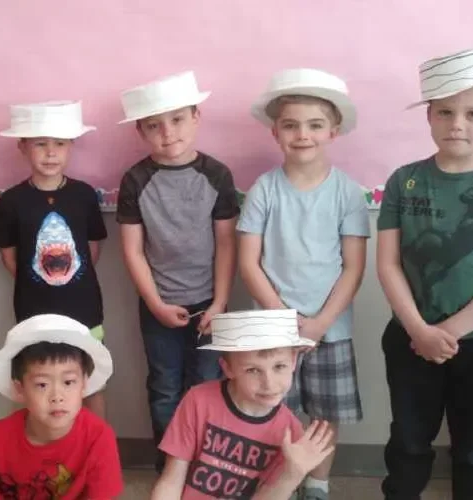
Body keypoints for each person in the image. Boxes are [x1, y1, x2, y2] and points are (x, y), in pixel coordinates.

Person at [376, 46, 473, 500]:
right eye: (445, 112)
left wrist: (447, 331)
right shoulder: (403, 180)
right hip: (410, 339)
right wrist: (419, 331)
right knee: (408, 443)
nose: (457, 124)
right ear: (429, 115)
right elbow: (387, 264)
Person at [237, 68, 370, 500]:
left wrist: (318, 323)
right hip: (273, 331)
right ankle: (283, 484)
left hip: (330, 330)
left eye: (315, 125)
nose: (303, 134)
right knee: (275, 409)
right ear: (275, 132)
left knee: (323, 415)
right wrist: (284, 318)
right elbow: (248, 262)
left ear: (333, 131)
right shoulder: (263, 190)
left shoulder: (347, 193)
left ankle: (317, 485)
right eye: (291, 125)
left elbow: (353, 268)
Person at [115, 70, 241, 473]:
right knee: (165, 386)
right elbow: (132, 249)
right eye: (154, 125)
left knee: (206, 385)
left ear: (196, 117)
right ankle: (172, 465)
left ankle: (204, 465)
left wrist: (220, 302)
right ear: (140, 131)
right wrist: (154, 303)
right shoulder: (136, 180)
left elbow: (225, 242)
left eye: (178, 119)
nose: (167, 133)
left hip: (210, 303)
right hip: (159, 306)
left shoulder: (217, 174)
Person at [0, 100, 110, 419]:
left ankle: (97, 452)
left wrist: (69, 282)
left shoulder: (84, 195)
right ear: (22, 147)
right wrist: (42, 286)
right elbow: (9, 255)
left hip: (83, 307)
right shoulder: (12, 201)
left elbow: (92, 249)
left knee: (90, 381)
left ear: (71, 146)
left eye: (59, 144)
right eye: (40, 144)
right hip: (34, 310)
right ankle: (44, 450)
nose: (50, 152)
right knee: (39, 381)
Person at [151, 309, 333, 500]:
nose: (269, 384)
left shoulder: (290, 433)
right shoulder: (198, 401)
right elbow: (171, 481)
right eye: (253, 370)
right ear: (228, 368)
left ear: (293, 361)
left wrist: (292, 475)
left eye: (279, 366)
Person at [0, 314, 123, 499]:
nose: (57, 397)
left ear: (84, 384)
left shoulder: (99, 438)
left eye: (68, 382)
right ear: (20, 389)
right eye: (42, 385)